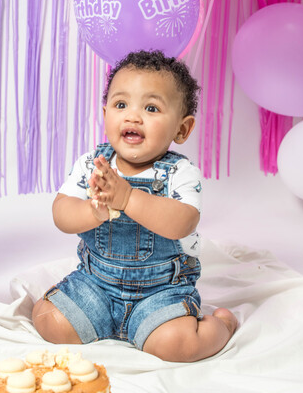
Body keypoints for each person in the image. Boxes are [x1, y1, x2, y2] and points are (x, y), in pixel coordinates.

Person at [32, 50, 237, 362]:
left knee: (177, 345)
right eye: (121, 105)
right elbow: (61, 213)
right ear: (105, 114)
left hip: (160, 292)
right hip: (96, 284)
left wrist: (128, 198)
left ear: (181, 129)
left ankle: (222, 325)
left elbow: (183, 222)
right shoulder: (92, 164)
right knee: (49, 321)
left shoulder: (180, 173)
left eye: (151, 108)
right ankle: (96, 319)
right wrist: (92, 212)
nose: (132, 117)